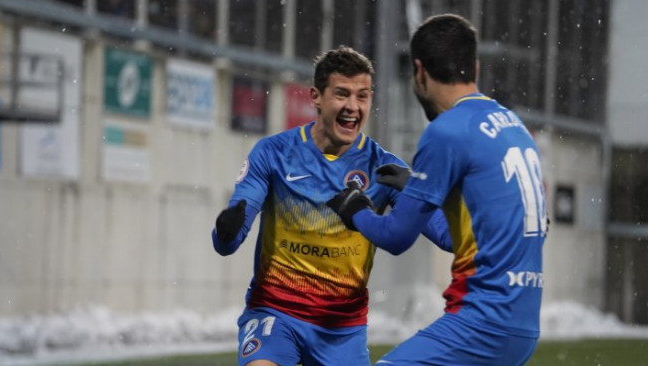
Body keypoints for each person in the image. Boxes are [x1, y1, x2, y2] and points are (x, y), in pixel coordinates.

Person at [327, 14, 548, 366]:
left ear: (419, 71)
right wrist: (411, 190)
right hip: (521, 326)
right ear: (473, 66)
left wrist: (356, 211)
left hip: (481, 322)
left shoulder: (447, 131)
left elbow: (397, 236)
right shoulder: (515, 128)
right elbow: (457, 239)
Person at [211, 46, 451, 366]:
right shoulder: (273, 153)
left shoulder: (385, 169)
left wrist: (421, 193)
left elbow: (449, 238)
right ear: (316, 96)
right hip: (276, 314)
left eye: (362, 96)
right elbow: (228, 239)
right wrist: (226, 230)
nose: (353, 106)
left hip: (342, 331)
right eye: (342, 94)